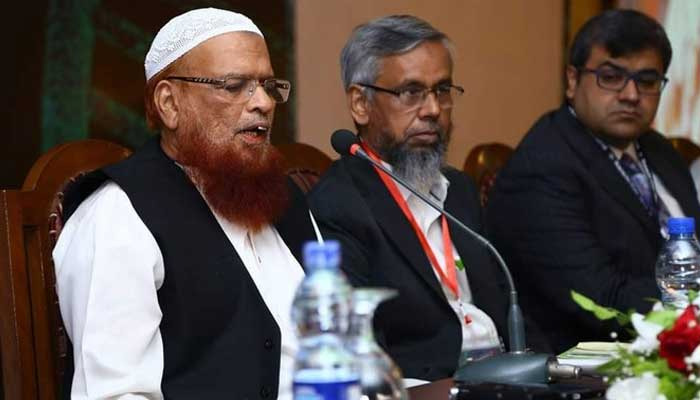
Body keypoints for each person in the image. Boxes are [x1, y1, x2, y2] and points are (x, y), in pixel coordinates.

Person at [53, 8, 317, 399]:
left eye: (267, 85)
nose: (262, 102)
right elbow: (115, 394)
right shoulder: (117, 218)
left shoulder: (286, 200)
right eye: (234, 85)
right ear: (169, 104)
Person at [308, 15, 512, 382]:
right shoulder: (340, 205)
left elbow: (508, 306)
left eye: (442, 90)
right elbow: (363, 353)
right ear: (360, 103)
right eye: (411, 92)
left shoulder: (461, 191)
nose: (433, 110)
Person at [486, 9, 700, 353]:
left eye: (647, 80)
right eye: (611, 77)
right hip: (584, 364)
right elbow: (603, 298)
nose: (631, 95)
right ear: (572, 81)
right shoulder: (544, 166)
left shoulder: (661, 152)